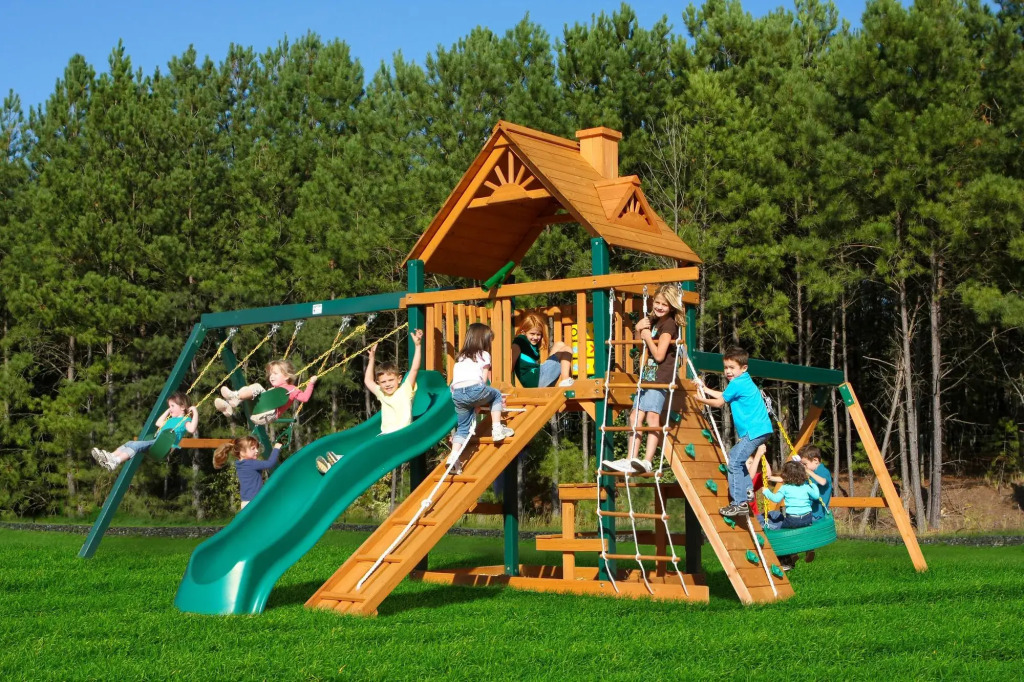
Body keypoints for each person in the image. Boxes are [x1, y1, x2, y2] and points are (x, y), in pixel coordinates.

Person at [602, 284, 686, 474]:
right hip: (648, 375)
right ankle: (631, 458)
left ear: (671, 306)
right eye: (657, 302)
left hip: (660, 376)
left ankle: (647, 461)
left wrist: (646, 335)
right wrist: (639, 329)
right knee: (634, 417)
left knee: (652, 416)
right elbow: (642, 346)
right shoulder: (654, 320)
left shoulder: (669, 324)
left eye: (664, 304)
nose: (659, 307)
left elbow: (659, 355)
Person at [316, 329, 423, 475]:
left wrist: (418, 346)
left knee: (367, 451)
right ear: (379, 383)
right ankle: (337, 465)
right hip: (385, 436)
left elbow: (415, 369)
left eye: (391, 380)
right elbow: (368, 380)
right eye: (383, 382)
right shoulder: (382, 393)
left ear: (399, 379)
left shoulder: (404, 390)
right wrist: (371, 359)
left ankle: (340, 461)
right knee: (365, 450)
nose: (387, 384)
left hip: (399, 437)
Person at [692, 346, 773, 517]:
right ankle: (748, 490)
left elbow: (720, 402)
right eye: (726, 367)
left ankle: (739, 503)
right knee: (737, 456)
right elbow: (726, 395)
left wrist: (701, 399)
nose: (728, 371)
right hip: (762, 429)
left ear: (743, 368)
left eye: (732, 368)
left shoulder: (737, 383)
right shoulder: (743, 381)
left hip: (754, 430)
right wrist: (705, 389)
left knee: (734, 461)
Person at [446, 322, 514, 474]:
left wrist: (474, 402)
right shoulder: (484, 355)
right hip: (474, 389)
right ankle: (497, 429)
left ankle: (453, 456)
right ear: (484, 340)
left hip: (457, 395)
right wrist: (481, 400)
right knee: (496, 394)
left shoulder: (461, 357)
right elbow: (482, 381)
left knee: (463, 428)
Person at [90, 392, 198, 471]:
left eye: (172, 406)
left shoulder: (185, 420)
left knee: (135, 445)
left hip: (164, 446)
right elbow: (158, 423)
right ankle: (110, 457)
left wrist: (195, 412)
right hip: (156, 442)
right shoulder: (171, 420)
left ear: (182, 407)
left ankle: (116, 461)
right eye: (169, 406)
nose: (170, 408)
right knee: (130, 443)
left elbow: (192, 429)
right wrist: (167, 411)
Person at [215, 359, 317, 425]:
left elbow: (305, 398)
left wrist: (311, 383)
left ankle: (235, 396)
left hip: (269, 415)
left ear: (286, 376)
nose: (271, 377)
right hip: (256, 414)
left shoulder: (292, 389)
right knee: (248, 388)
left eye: (275, 374)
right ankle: (229, 405)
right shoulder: (274, 390)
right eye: (270, 374)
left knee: (257, 387)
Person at [213, 436, 283, 510]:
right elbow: (270, 463)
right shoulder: (251, 463)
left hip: (245, 502)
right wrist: (276, 448)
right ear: (242, 452)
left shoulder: (239, 464)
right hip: (254, 502)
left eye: (257, 448)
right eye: (253, 448)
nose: (257, 451)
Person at [510, 312, 575, 389]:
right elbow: (511, 364)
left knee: (559, 344)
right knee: (567, 349)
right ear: (523, 332)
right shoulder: (519, 341)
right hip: (535, 380)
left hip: (537, 378)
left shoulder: (528, 345)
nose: (535, 337)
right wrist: (508, 384)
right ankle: (565, 380)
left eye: (538, 334)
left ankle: (567, 380)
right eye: (532, 334)